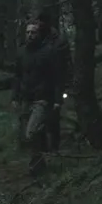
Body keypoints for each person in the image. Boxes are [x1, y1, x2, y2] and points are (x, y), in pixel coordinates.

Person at [12, 19, 64, 174]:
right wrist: (14, 97)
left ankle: (37, 163)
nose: (30, 35)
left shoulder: (48, 52)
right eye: (28, 32)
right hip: (25, 98)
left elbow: (57, 77)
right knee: (29, 134)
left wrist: (57, 99)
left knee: (32, 132)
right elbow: (17, 76)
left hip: (42, 99)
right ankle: (39, 164)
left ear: (39, 34)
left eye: (33, 32)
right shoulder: (21, 52)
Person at [34, 10, 71, 151]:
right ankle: (42, 147)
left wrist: (65, 84)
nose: (40, 25)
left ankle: (54, 147)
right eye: (39, 22)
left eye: (42, 22)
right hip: (39, 84)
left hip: (55, 83)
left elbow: (65, 63)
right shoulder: (37, 38)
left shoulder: (58, 41)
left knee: (53, 117)